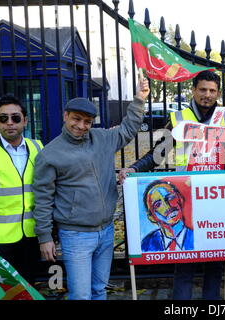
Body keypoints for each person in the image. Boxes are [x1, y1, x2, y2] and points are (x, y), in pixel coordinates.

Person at [119, 70, 225, 300]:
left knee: (215, 266)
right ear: (193, 90)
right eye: (202, 89)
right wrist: (135, 168)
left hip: (218, 199)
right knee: (184, 264)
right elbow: (160, 153)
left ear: (218, 93)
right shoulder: (179, 117)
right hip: (185, 199)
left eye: (212, 91)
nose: (207, 95)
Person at [32, 78, 149, 300]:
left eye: (87, 121)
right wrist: (45, 237)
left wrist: (139, 99)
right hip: (75, 235)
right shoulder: (49, 154)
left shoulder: (102, 138)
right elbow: (43, 199)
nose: (81, 126)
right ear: (66, 116)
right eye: (76, 119)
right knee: (81, 295)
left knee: (98, 290)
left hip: (105, 231)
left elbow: (128, 128)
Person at [0, 95, 43, 285]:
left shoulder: (38, 147)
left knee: (27, 289)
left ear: (25, 120)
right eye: (3, 118)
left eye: (15, 118)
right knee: (0, 293)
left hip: (31, 237)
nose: (10, 123)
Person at [141, 179, 194, 252]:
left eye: (170, 197)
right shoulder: (147, 244)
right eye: (158, 204)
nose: (167, 206)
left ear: (180, 199)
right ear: (151, 217)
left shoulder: (195, 237)